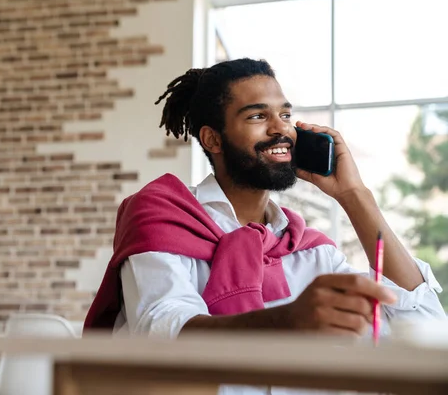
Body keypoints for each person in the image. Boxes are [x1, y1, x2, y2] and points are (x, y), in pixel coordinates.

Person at [83, 58, 446, 394]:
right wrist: (286, 321)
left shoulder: (311, 249)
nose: (280, 129)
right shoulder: (164, 216)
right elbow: (161, 333)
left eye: (285, 115)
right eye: (257, 116)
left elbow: (426, 324)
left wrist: (354, 196)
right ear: (213, 139)